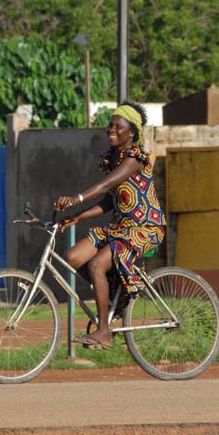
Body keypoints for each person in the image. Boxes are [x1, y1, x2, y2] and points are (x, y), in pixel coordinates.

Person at [53, 102, 166, 350]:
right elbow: (109, 200)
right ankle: (117, 291)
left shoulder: (136, 157)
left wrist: (77, 198)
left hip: (144, 229)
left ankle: (104, 331)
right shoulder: (111, 158)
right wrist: (78, 216)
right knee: (73, 257)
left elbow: (105, 186)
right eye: (110, 126)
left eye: (118, 127)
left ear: (132, 132)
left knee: (95, 265)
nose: (111, 130)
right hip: (120, 228)